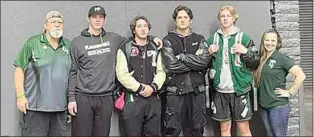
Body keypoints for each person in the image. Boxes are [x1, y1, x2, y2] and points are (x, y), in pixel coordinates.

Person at [67, 5, 162, 136]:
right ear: (88, 19)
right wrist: (71, 99)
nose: (97, 20)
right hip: (83, 97)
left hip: (106, 97)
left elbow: (137, 38)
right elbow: (72, 72)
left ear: (104, 20)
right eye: (94, 17)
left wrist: (152, 38)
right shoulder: (77, 42)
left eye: (101, 17)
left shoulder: (113, 39)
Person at [13, 11, 70, 136]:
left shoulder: (68, 46)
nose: (57, 25)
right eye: (53, 22)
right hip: (35, 108)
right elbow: (19, 68)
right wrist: (20, 96)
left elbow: (73, 75)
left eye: (60, 22)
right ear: (45, 25)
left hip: (60, 110)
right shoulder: (32, 43)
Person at [206, 5, 259, 136]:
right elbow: (202, 64)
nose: (225, 19)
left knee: (243, 128)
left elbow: (255, 62)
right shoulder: (212, 39)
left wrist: (245, 52)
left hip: (240, 90)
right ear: (219, 19)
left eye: (228, 16)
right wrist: (208, 53)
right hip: (220, 91)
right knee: (224, 129)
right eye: (222, 16)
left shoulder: (244, 38)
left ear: (234, 18)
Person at [161, 5, 211, 136]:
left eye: (185, 17)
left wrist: (182, 57)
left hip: (197, 92)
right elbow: (170, 65)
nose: (182, 20)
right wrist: (194, 63)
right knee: (171, 130)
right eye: (179, 17)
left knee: (198, 130)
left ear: (190, 20)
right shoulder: (168, 40)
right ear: (175, 20)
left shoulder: (199, 39)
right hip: (175, 93)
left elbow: (204, 61)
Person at [116, 15, 166, 136]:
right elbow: (122, 74)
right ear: (134, 29)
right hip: (133, 100)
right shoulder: (125, 48)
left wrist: (153, 87)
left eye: (145, 26)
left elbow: (161, 71)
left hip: (153, 99)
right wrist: (140, 88)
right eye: (139, 26)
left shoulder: (156, 47)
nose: (143, 29)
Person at [254, 29, 305, 136]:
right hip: (264, 105)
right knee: (270, 134)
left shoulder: (281, 58)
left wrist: (289, 92)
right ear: (263, 41)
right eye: (267, 40)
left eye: (273, 40)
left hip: (277, 106)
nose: (269, 43)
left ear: (278, 43)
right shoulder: (262, 58)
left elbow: (301, 75)